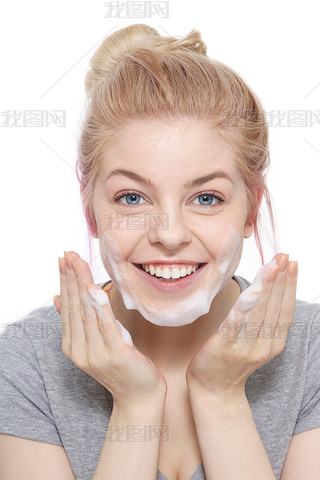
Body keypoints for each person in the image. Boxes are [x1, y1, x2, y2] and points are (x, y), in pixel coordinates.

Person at [0, 23, 319, 480]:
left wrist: (220, 393)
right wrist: (135, 405)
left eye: (206, 198)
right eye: (132, 198)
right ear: (90, 211)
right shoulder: (29, 360)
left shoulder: (312, 351)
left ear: (251, 212)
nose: (169, 235)